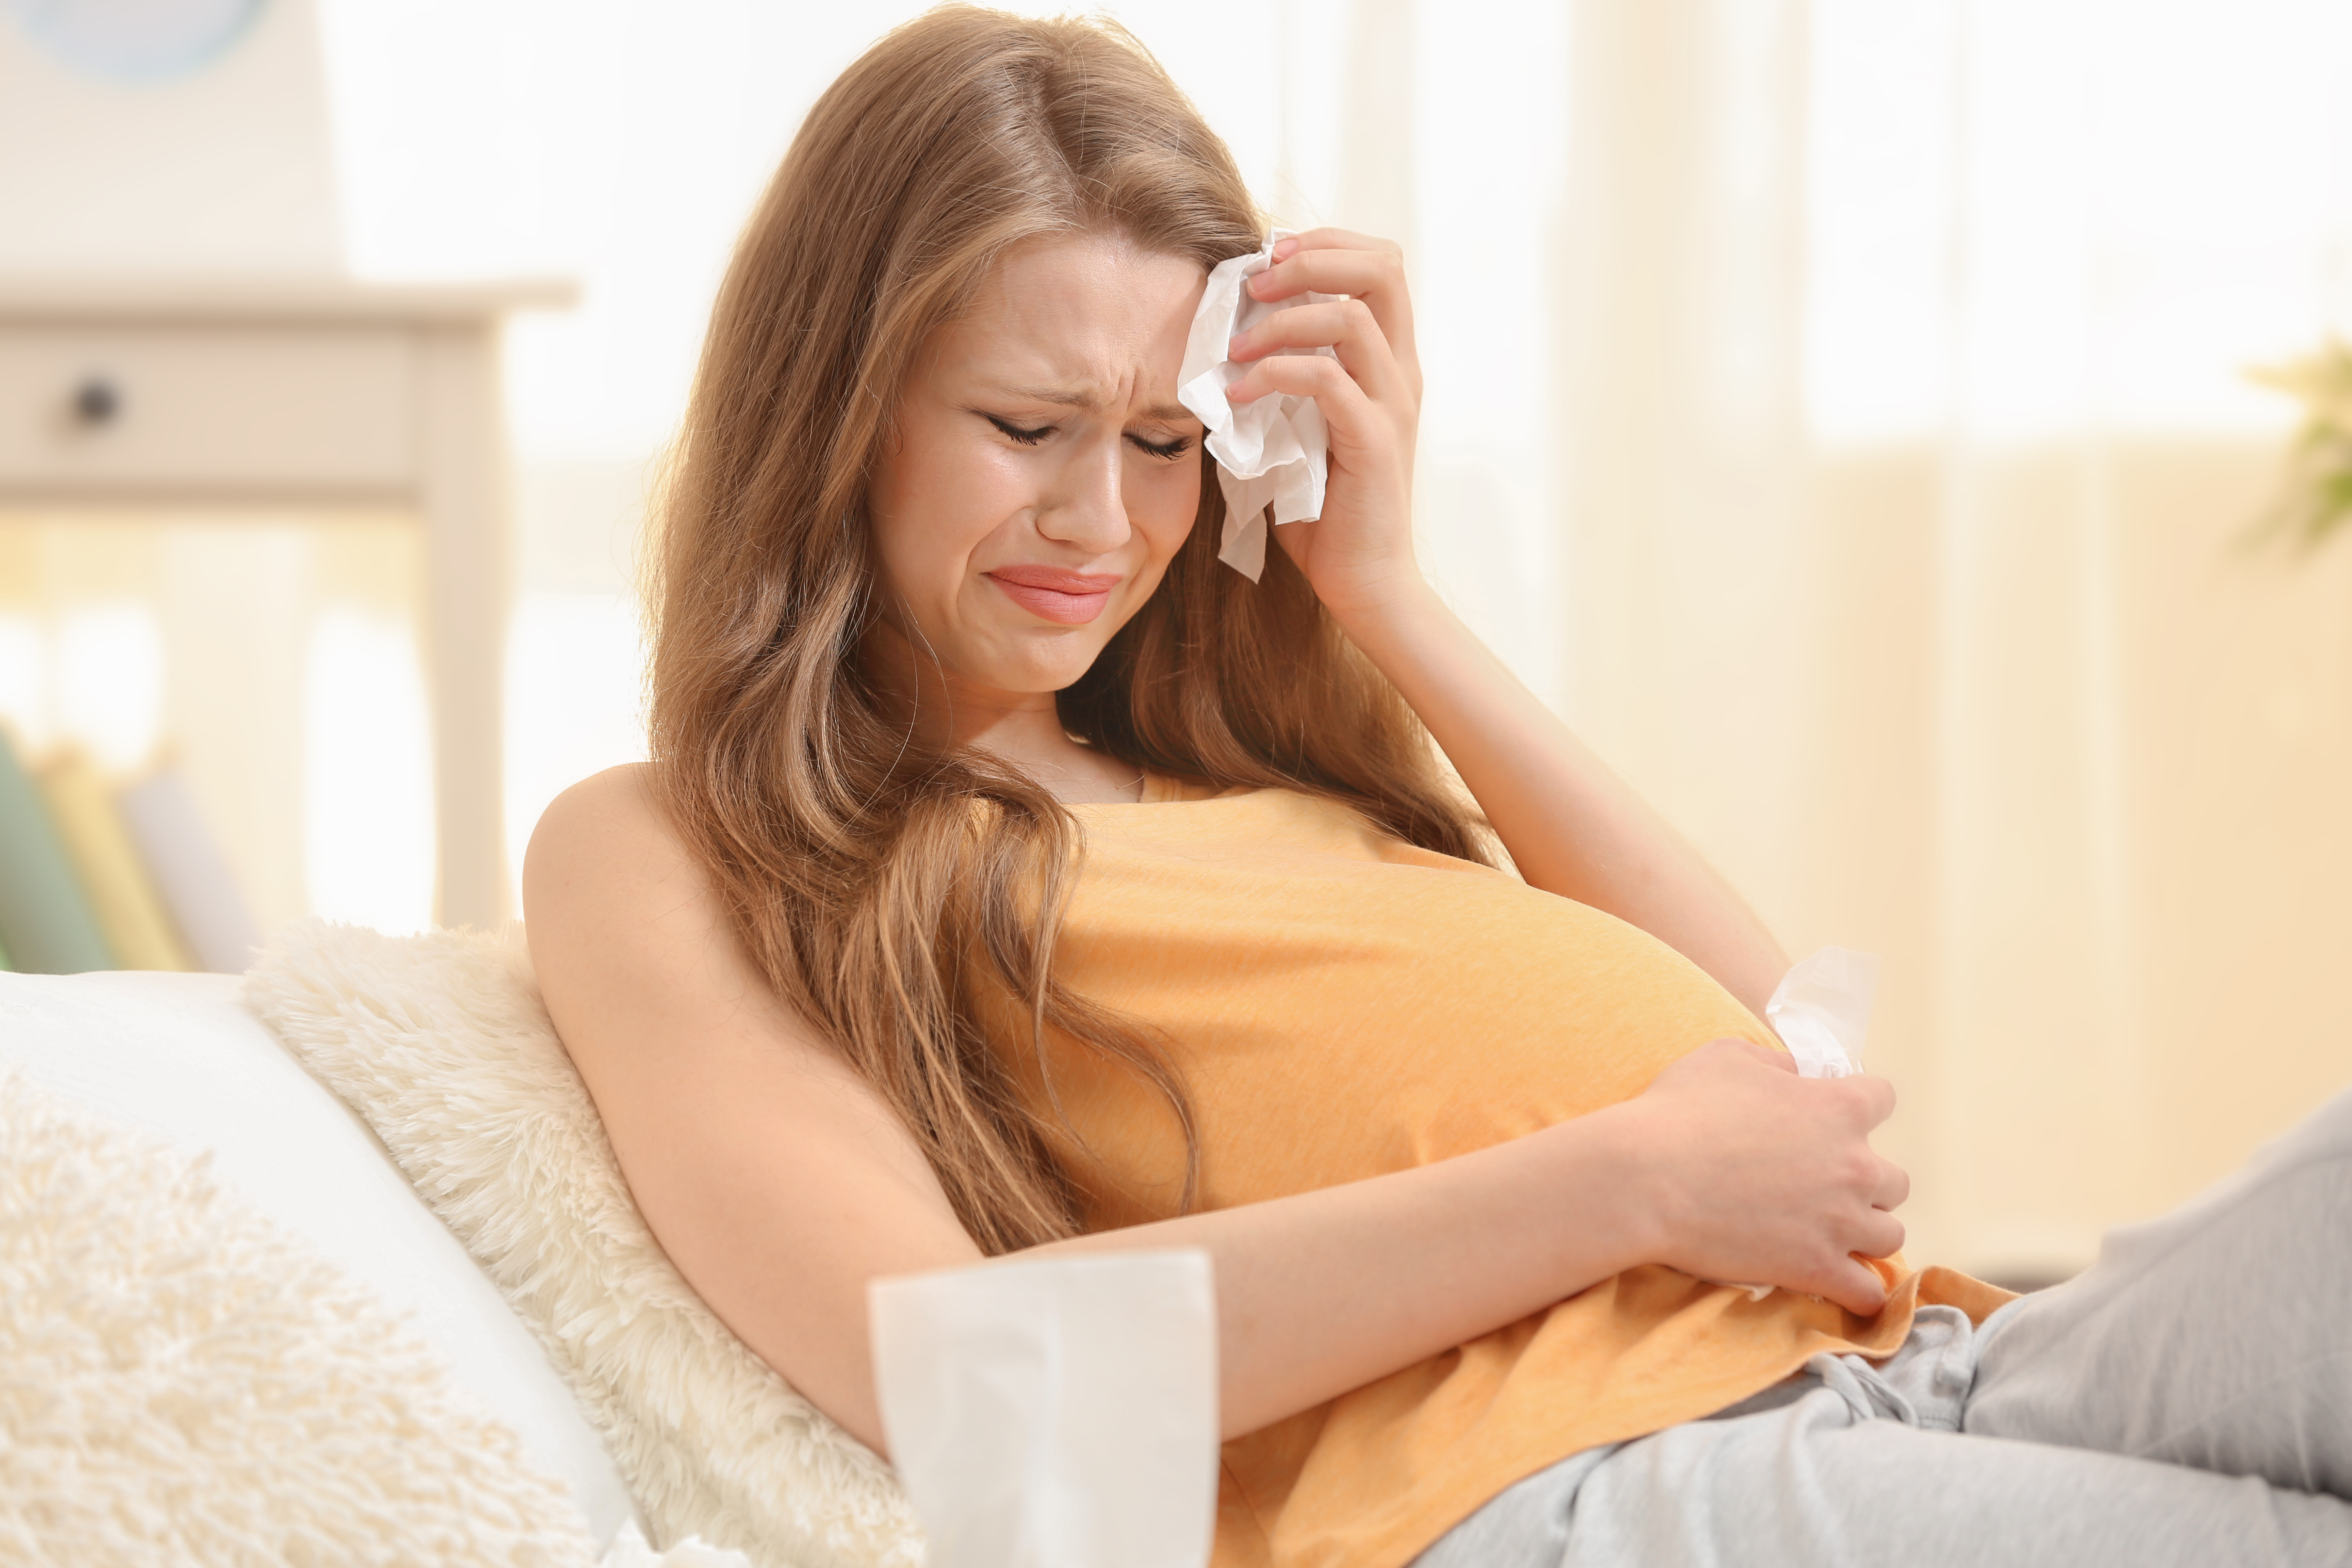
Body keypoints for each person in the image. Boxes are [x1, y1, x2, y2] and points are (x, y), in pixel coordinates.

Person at [523, 9, 2352, 1566]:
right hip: (1568, 1486)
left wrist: (1382, 591)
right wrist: (1626, 1185)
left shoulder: (1219, 756)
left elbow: (1782, 1053)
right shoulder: (668, 843)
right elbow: (951, 1370)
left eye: (1167, 442)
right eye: (1025, 429)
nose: (1102, 523)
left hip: (1904, 1358)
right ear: (834, 402)